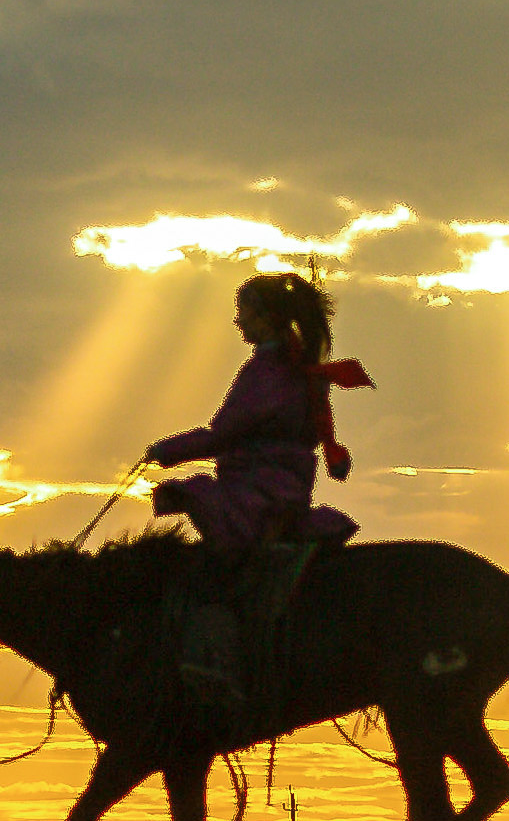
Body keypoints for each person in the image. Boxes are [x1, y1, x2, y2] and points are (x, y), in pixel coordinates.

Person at [144, 271, 370, 709]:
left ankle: (217, 661)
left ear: (265, 319)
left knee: (209, 570)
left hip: (259, 488)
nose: (237, 322)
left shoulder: (268, 372)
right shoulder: (299, 369)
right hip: (282, 485)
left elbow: (225, 431)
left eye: (242, 312)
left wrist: (165, 451)